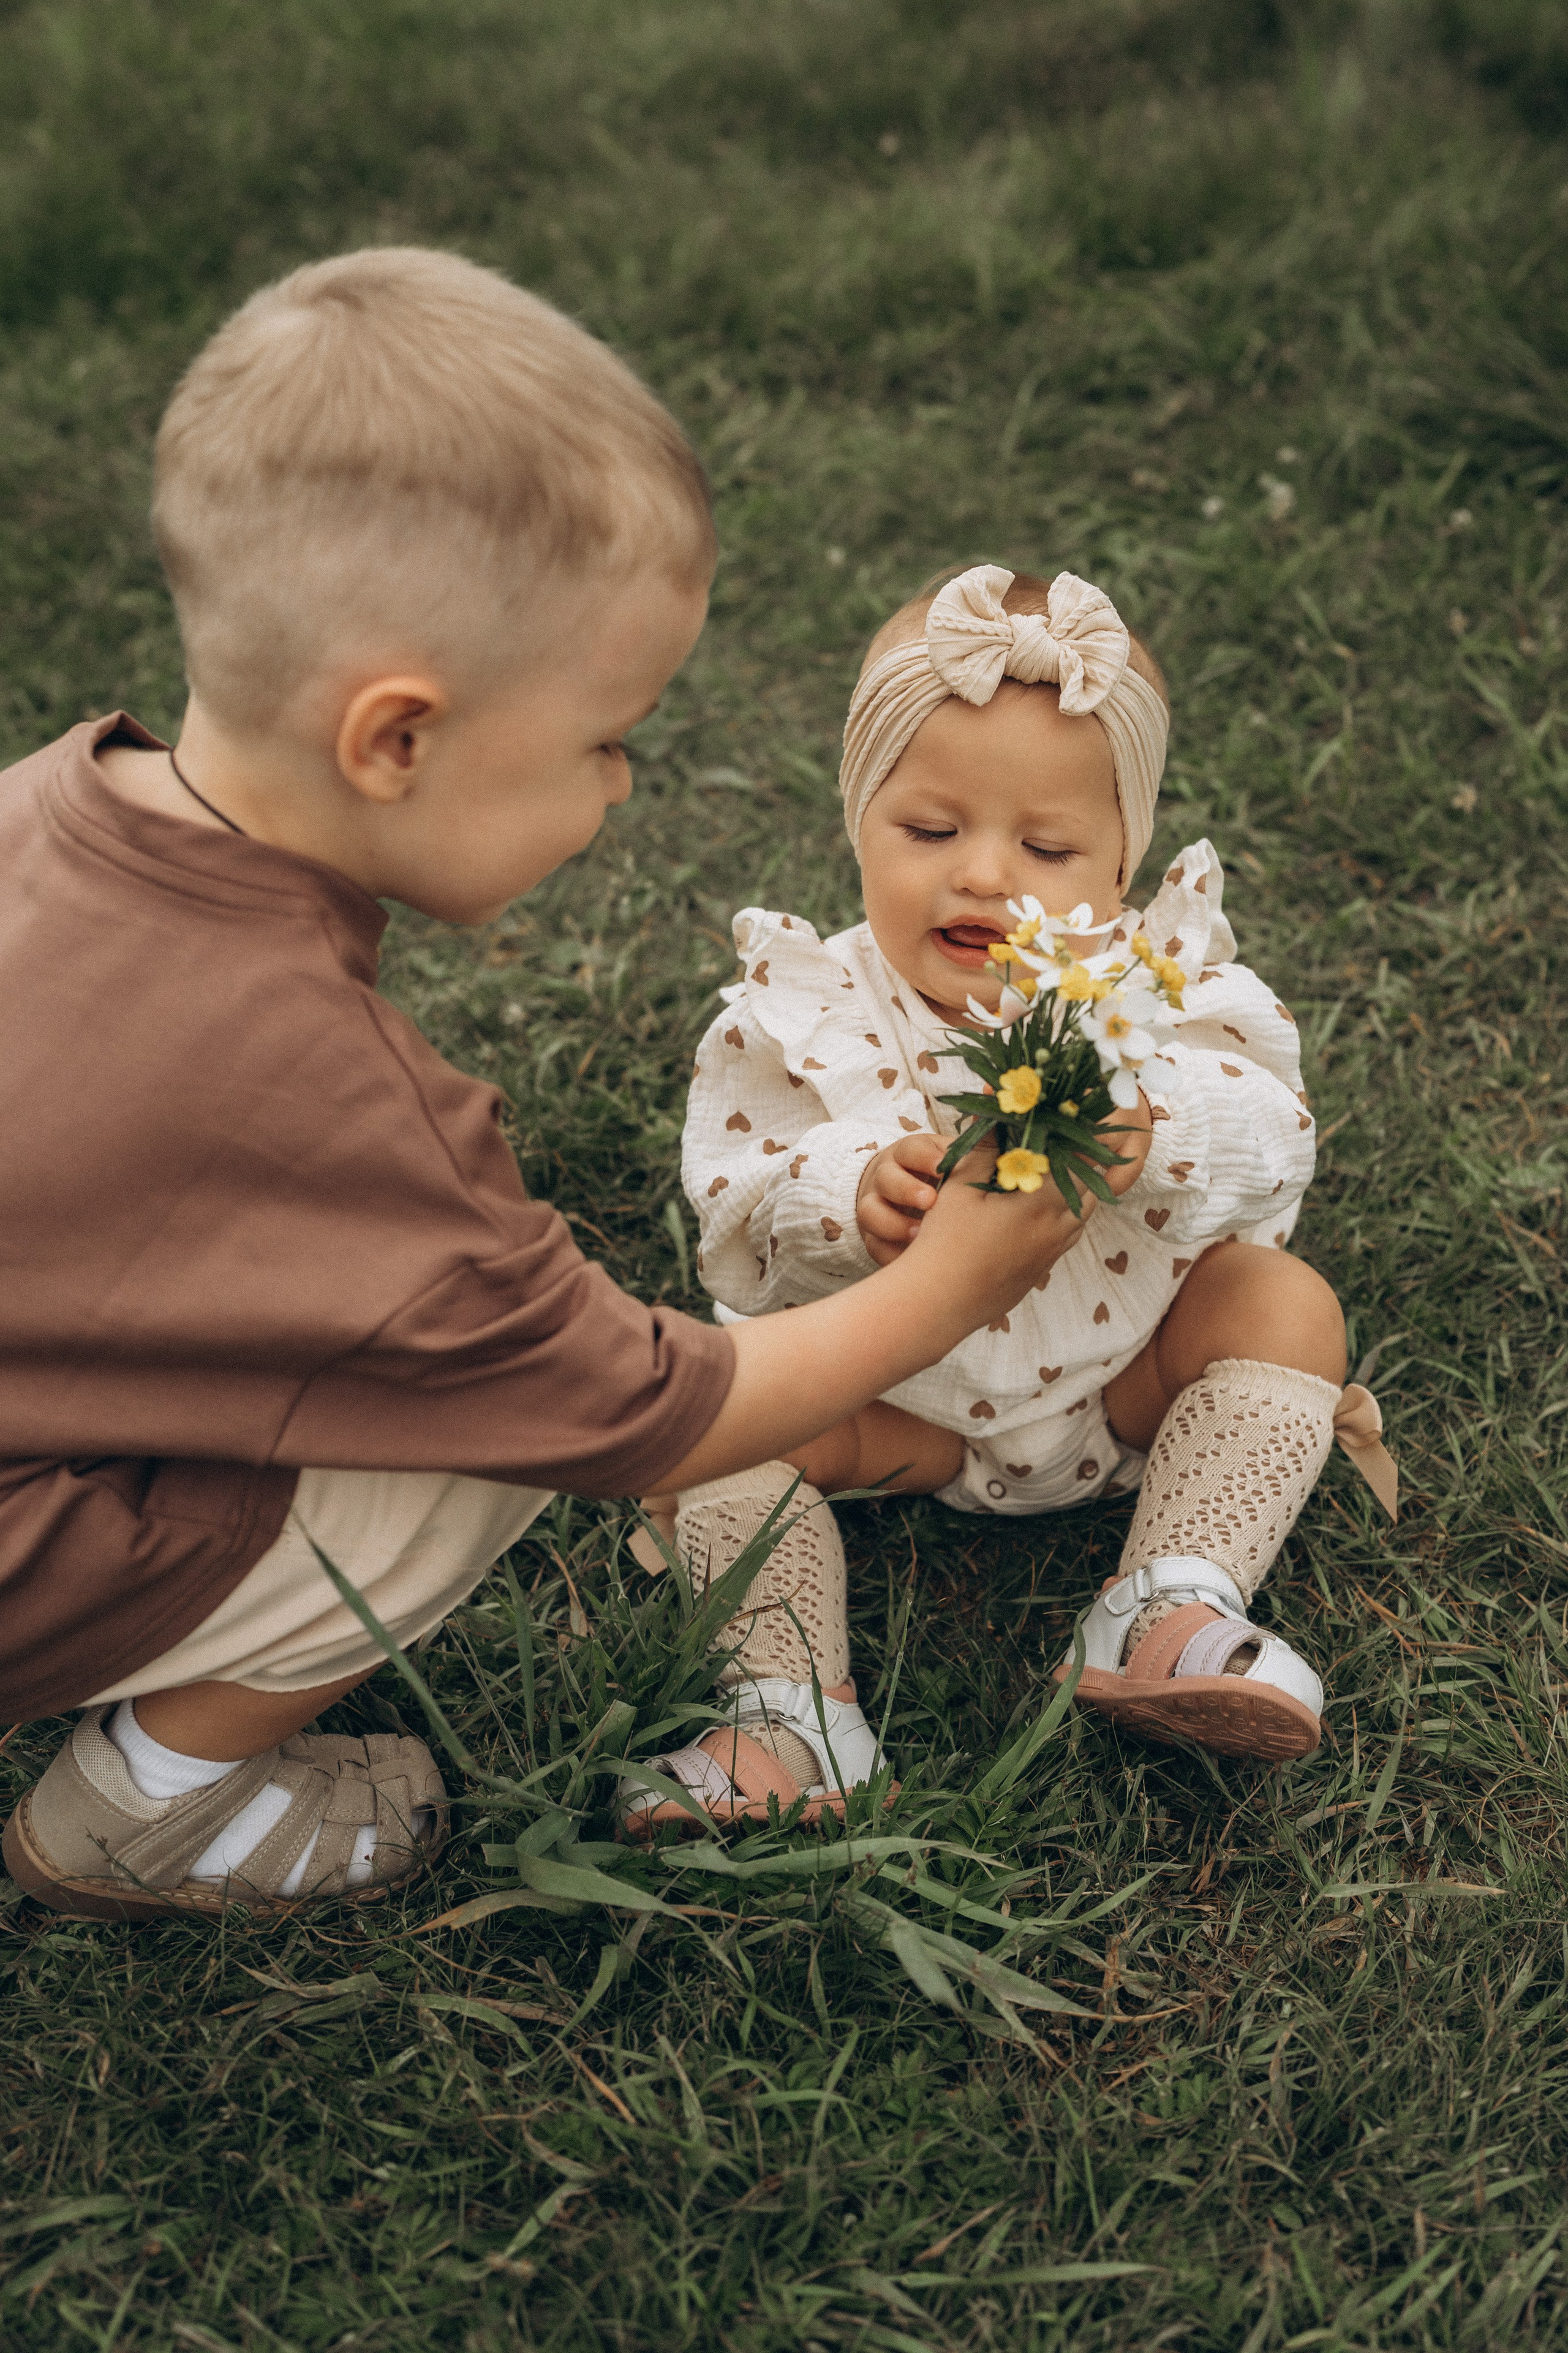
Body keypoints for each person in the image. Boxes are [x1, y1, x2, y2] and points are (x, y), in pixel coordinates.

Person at [0, 262, 1091, 1920]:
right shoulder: (351, 1119)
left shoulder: (45, 806)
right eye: (601, 737)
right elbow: (633, 1415)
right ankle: (145, 1807)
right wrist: (954, 1286)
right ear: (396, 740)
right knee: (475, 1445)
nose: (624, 782)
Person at [666, 563, 1396, 1776]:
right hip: (894, 1407)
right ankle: (784, 1711)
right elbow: (732, 1206)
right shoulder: (801, 1009)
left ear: (1119, 864)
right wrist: (846, 1190)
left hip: (1125, 1383)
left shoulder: (1156, 998)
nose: (985, 875)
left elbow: (1275, 1139)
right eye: (929, 830)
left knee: (1283, 1304)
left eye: (1047, 843)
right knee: (705, 1403)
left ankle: (1170, 1598)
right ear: (858, 819)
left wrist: (1159, 1131)